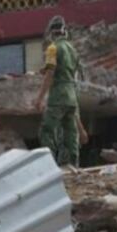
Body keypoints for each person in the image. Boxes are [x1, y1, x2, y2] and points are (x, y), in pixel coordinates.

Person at [34, 15, 80, 167]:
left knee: (47, 130)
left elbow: (50, 74)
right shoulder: (72, 49)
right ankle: (73, 164)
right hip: (71, 96)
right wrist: (47, 69)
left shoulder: (53, 48)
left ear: (51, 32)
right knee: (70, 132)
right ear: (64, 31)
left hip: (58, 96)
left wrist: (40, 98)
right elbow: (70, 71)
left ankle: (49, 165)